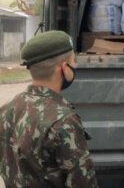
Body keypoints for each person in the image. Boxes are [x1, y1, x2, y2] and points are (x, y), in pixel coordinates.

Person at [0, 31, 98, 187]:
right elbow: (82, 182)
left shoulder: (7, 109)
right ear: (64, 68)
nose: (75, 66)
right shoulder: (63, 120)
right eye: (73, 61)